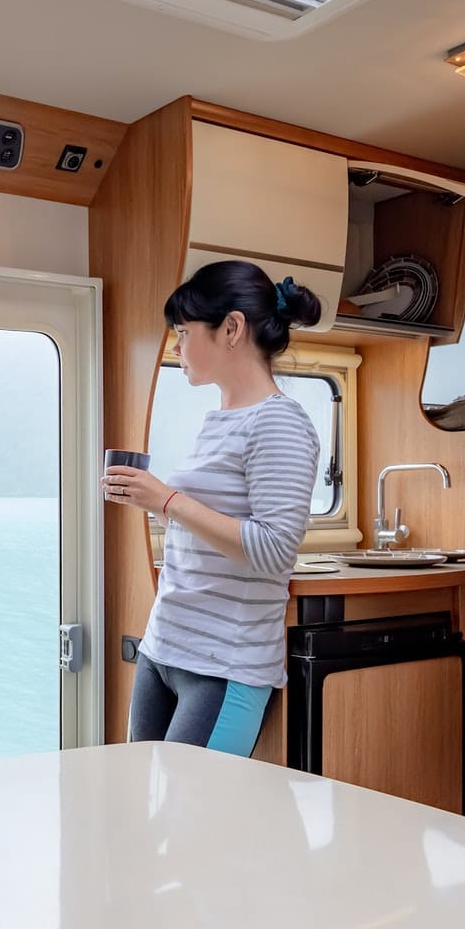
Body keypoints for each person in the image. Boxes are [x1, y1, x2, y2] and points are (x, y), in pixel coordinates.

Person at [103, 260, 324, 753]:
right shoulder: (219, 419)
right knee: (145, 808)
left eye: (183, 331)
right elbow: (205, 523)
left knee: (196, 822)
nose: (176, 346)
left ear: (231, 328)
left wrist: (167, 499)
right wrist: (157, 504)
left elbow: (273, 550)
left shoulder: (279, 424)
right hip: (164, 647)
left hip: (223, 665)